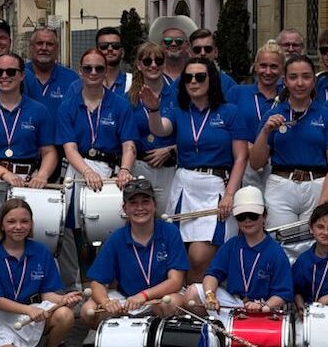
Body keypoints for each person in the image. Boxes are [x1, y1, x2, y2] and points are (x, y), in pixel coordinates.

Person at [0, 51, 59, 320]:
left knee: (30, 237)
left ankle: (35, 294)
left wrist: (43, 174)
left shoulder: (37, 110)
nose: (4, 77)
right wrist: (4, 175)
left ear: (21, 75)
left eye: (11, 72)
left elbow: (49, 151)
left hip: (28, 181)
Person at [140, 56, 252, 283]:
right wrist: (153, 110)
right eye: (188, 77)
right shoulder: (180, 111)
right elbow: (161, 130)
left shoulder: (230, 112)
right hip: (184, 186)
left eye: (200, 76)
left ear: (211, 79)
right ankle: (186, 303)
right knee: (180, 253)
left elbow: (241, 157)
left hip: (216, 187)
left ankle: (195, 299)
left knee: (199, 257)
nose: (193, 81)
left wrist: (230, 194)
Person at [56, 47, 138, 287]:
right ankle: (84, 289)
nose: (93, 72)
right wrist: (87, 172)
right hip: (79, 171)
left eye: (99, 68)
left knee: (111, 236)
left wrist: (124, 170)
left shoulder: (120, 105)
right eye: (88, 68)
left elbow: (129, 143)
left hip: (111, 173)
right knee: (80, 237)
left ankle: (110, 291)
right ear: (80, 71)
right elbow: (69, 148)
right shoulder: (68, 106)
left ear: (106, 72)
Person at [0, 197, 82, 347]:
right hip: (6, 320)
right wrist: (28, 310)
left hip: (37, 312)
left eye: (24, 221)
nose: (18, 226)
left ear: (31, 224)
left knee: (65, 314)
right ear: (1, 224)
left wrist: (63, 299)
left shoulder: (41, 251)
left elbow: (48, 293)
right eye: (11, 221)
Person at [247, 54, 328, 237]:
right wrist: (265, 132)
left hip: (317, 184)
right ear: (285, 81)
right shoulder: (272, 115)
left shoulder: (327, 116)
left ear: (314, 81)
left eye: (306, 77)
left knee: (314, 244)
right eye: (293, 77)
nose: (300, 83)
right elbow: (256, 163)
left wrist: (324, 203)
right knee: (281, 242)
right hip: (281, 186)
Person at [82, 177, 191, 326]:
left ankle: (160, 340)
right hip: (127, 298)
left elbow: (176, 281)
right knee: (88, 309)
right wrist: (106, 302)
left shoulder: (170, 232)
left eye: (145, 202)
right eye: (133, 203)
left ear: (154, 205)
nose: (140, 208)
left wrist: (144, 296)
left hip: (160, 297)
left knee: (172, 303)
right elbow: (97, 282)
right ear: (125, 209)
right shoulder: (116, 237)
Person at [192, 186, 294, 322]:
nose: (247, 220)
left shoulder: (276, 252)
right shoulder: (231, 244)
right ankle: (214, 333)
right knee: (192, 293)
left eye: (253, 215)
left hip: (263, 309)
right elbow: (212, 274)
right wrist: (210, 295)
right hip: (233, 304)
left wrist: (264, 306)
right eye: (241, 216)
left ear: (264, 216)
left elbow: (283, 293)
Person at [127, 41, 177, 210]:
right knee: (139, 218)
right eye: (147, 61)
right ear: (139, 65)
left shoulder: (177, 96)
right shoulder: (128, 99)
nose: (153, 65)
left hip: (169, 168)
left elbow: (188, 134)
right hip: (139, 167)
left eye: (159, 61)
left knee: (167, 218)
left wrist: (171, 149)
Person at [230, 41, 285, 193]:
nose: (268, 71)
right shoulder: (238, 93)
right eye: (263, 66)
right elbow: (225, 126)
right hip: (243, 164)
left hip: (276, 166)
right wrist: (248, 146)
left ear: (282, 70)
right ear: (255, 67)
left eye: (274, 66)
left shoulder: (288, 97)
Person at [24, 26, 81, 113]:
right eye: (39, 43)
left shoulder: (71, 79)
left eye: (49, 44)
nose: (44, 48)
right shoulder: (17, 75)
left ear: (57, 48)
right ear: (31, 47)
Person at [187, 30, 238, 94]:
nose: (203, 53)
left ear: (216, 52)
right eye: (197, 49)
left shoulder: (229, 85)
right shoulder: (180, 83)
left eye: (208, 49)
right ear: (190, 53)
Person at [150, 15, 195, 82]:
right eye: (167, 41)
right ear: (160, 45)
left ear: (187, 45)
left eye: (179, 41)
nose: (173, 44)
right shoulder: (151, 74)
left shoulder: (195, 74)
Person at [93, 26, 132, 93]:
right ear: (96, 52)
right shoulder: (85, 84)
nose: (110, 49)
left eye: (115, 45)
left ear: (122, 52)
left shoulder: (132, 82)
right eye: (104, 46)